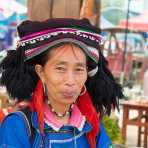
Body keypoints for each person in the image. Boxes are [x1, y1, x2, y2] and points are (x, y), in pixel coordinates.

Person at [0, 18, 123, 148]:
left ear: (87, 73)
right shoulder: (18, 126)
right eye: (60, 69)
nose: (70, 81)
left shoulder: (91, 124)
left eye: (79, 69)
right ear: (41, 72)